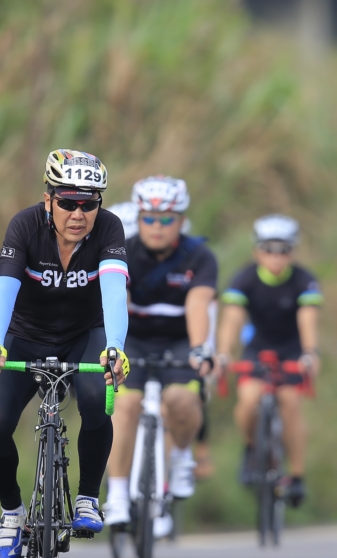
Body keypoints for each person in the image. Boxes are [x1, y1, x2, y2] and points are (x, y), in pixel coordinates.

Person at [0, 149, 129, 558]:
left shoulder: (110, 229)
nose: (78, 213)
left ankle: (87, 497)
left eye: (89, 203)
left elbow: (115, 295)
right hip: (24, 337)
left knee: (98, 400)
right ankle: (11, 513)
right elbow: (4, 289)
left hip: (85, 335)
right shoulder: (24, 226)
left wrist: (115, 348)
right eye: (67, 202)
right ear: (48, 200)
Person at [103, 176, 217, 531]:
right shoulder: (122, 249)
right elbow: (116, 298)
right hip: (133, 339)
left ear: (181, 221)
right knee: (124, 406)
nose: (156, 227)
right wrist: (112, 346)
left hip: (179, 340)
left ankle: (181, 455)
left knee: (182, 401)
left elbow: (199, 304)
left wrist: (200, 350)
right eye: (148, 218)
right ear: (138, 219)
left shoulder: (199, 256)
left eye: (166, 219)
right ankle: (118, 494)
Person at [217, 214, 321, 507]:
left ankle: (297, 476)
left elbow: (308, 320)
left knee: (290, 402)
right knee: (249, 399)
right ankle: (251, 449)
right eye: (268, 249)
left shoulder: (304, 280)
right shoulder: (244, 278)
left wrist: (310, 353)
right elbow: (232, 320)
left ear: (292, 252)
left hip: (292, 351)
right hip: (258, 349)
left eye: (283, 250)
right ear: (257, 251)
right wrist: (224, 353)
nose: (275, 257)